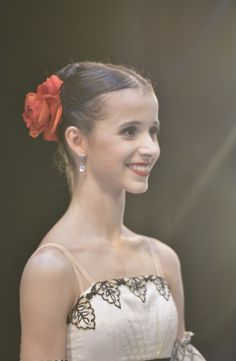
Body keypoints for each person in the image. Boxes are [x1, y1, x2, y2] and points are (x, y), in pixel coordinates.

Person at [19, 61, 206, 361]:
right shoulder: (52, 269)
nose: (150, 148)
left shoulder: (163, 259)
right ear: (77, 140)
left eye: (153, 131)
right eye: (130, 131)